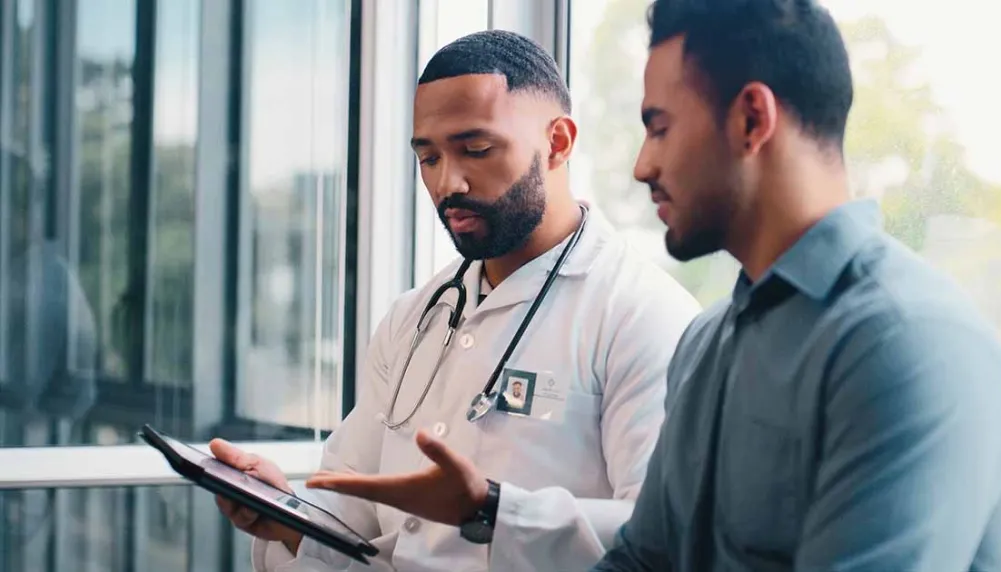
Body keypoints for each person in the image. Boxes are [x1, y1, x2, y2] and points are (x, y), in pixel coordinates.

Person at [211, 29, 701, 572]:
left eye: (476, 149)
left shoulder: (644, 317)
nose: (449, 182)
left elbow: (663, 538)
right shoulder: (414, 317)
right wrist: (284, 512)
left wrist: (494, 510)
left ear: (558, 142)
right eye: (428, 157)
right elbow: (353, 516)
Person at [592, 1, 1001, 571]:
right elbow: (643, 561)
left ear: (752, 119)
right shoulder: (703, 343)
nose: (642, 166)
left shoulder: (909, 345)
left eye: (659, 128)